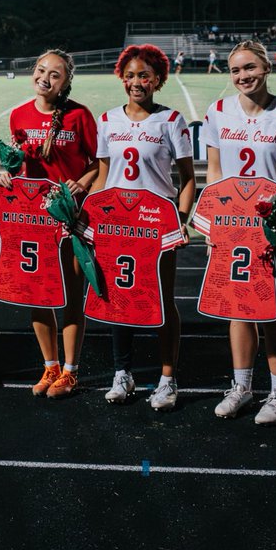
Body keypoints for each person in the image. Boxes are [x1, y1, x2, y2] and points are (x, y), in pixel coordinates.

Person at [203, 41, 276, 425]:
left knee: (270, 311)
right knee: (236, 308)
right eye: (236, 70)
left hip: (270, 230)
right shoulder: (217, 111)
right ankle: (242, 387)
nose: (243, 76)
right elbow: (214, 172)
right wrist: (214, 218)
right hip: (232, 228)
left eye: (250, 68)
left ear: (266, 68)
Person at [92, 45, 195, 411]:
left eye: (145, 75)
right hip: (117, 225)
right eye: (131, 75)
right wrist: (89, 217)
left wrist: (180, 221)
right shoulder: (106, 120)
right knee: (118, 299)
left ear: (158, 79)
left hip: (156, 226)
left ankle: (168, 379)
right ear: (122, 78)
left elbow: (187, 179)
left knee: (162, 300)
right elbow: (104, 177)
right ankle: (123, 373)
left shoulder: (171, 121)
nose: (138, 82)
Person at [0, 49, 99, 398]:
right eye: (41, 69)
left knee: (72, 296)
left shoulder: (80, 116)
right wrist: (4, 175)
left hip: (71, 218)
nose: (45, 77)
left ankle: (71, 371)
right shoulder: (18, 115)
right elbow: (16, 166)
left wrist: (82, 184)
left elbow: (96, 164)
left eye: (55, 74)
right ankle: (50, 366)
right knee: (37, 295)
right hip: (33, 222)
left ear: (66, 82)